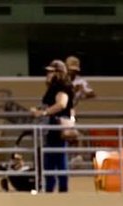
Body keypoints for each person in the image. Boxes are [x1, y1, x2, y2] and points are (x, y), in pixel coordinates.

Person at [30, 60, 74, 193]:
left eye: (51, 71)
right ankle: (50, 188)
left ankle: (61, 188)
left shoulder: (61, 87)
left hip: (56, 128)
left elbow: (62, 104)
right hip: (50, 128)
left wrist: (43, 112)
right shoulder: (54, 88)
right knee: (50, 159)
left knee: (58, 158)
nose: (48, 74)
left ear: (58, 73)